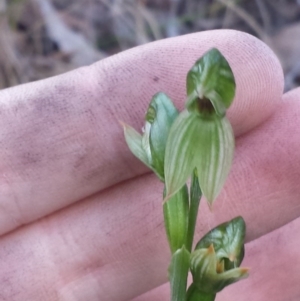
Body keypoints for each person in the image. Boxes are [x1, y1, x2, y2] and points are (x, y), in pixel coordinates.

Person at [0, 29, 298, 301]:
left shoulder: (215, 131)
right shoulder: (186, 128)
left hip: (203, 139)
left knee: (194, 193)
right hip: (188, 141)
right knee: (178, 188)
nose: (207, 94)